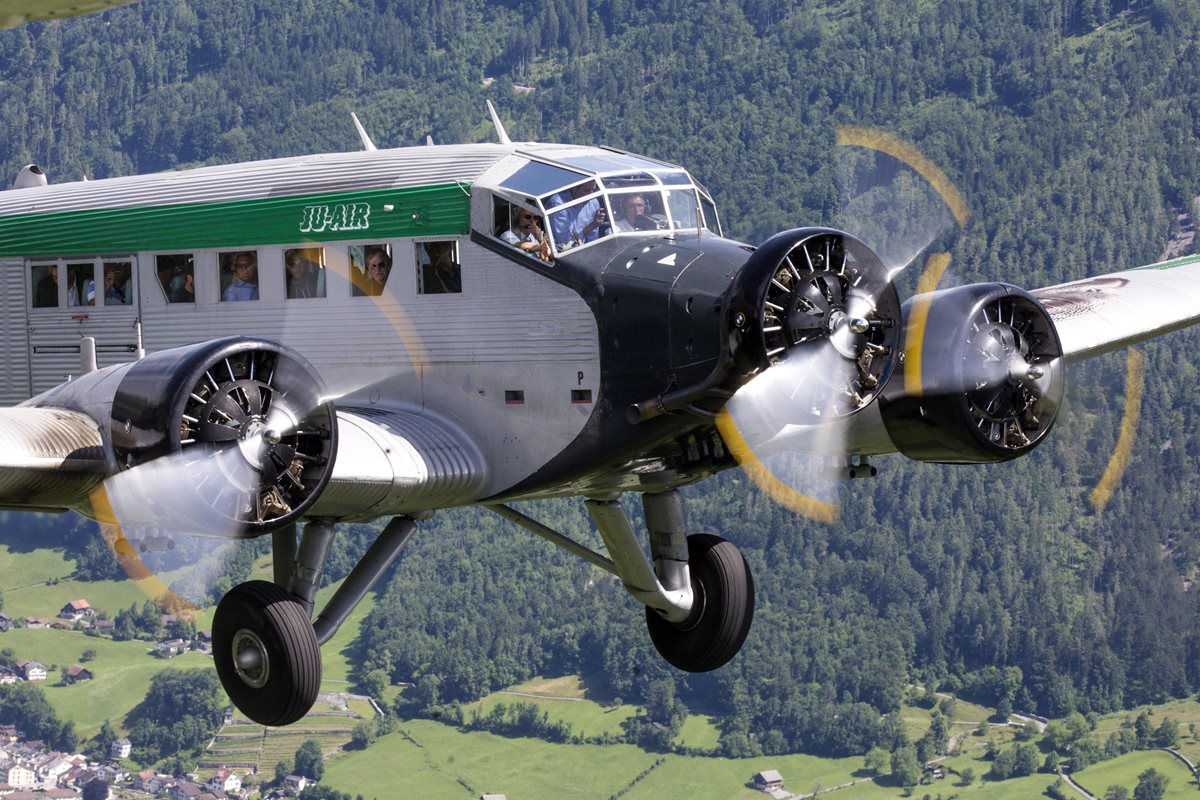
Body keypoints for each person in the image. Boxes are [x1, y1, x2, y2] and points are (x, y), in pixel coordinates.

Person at [549, 180, 608, 248]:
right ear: (574, 188)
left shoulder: (593, 202)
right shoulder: (557, 205)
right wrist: (591, 226)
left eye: (593, 190)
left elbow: (593, 239)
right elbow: (564, 243)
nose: (591, 194)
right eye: (587, 191)